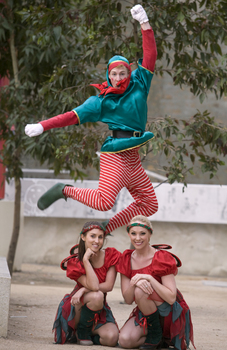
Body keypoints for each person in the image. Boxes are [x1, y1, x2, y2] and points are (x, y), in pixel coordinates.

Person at [24, 5, 158, 235]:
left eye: (122, 73)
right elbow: (70, 116)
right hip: (115, 156)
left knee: (150, 205)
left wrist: (145, 24)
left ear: (128, 72)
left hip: (133, 158)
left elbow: (151, 55)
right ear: (108, 75)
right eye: (113, 74)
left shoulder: (140, 83)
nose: (118, 78)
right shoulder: (101, 101)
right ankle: (63, 190)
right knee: (104, 202)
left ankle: (108, 227)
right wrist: (42, 126)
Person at [117, 215, 195, 350]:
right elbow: (128, 299)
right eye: (133, 233)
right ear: (129, 234)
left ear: (150, 234)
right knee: (125, 341)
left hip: (167, 310)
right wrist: (134, 282)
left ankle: (156, 336)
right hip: (146, 312)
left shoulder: (161, 257)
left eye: (142, 233)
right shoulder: (126, 258)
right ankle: (158, 337)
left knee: (141, 290)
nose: (138, 238)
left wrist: (149, 279)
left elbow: (171, 298)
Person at [53, 220, 121, 346]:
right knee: (97, 295)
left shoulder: (111, 256)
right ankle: (81, 332)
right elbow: (95, 287)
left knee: (112, 338)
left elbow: (108, 286)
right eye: (92, 236)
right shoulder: (75, 262)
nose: (97, 241)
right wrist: (85, 260)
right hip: (78, 304)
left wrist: (83, 289)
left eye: (100, 237)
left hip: (98, 308)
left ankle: (88, 334)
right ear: (83, 237)